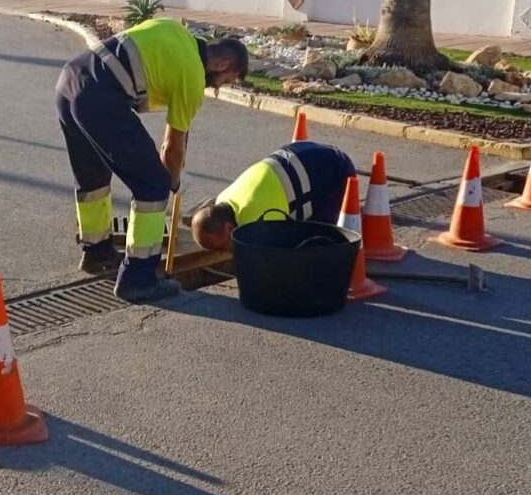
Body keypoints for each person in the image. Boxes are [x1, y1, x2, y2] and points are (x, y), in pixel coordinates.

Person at [56, 17, 249, 302]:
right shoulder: (193, 76)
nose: (218, 87)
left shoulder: (175, 31)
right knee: (153, 185)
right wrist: (172, 183)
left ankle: (96, 252)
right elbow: (173, 144)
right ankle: (138, 279)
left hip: (69, 81)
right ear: (222, 65)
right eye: (225, 81)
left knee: (92, 176)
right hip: (101, 98)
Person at [191, 141, 357, 252]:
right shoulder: (223, 200)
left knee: (317, 241)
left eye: (220, 247)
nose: (223, 252)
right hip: (307, 153)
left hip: (337, 171)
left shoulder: (255, 222)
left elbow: (276, 256)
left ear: (229, 228)